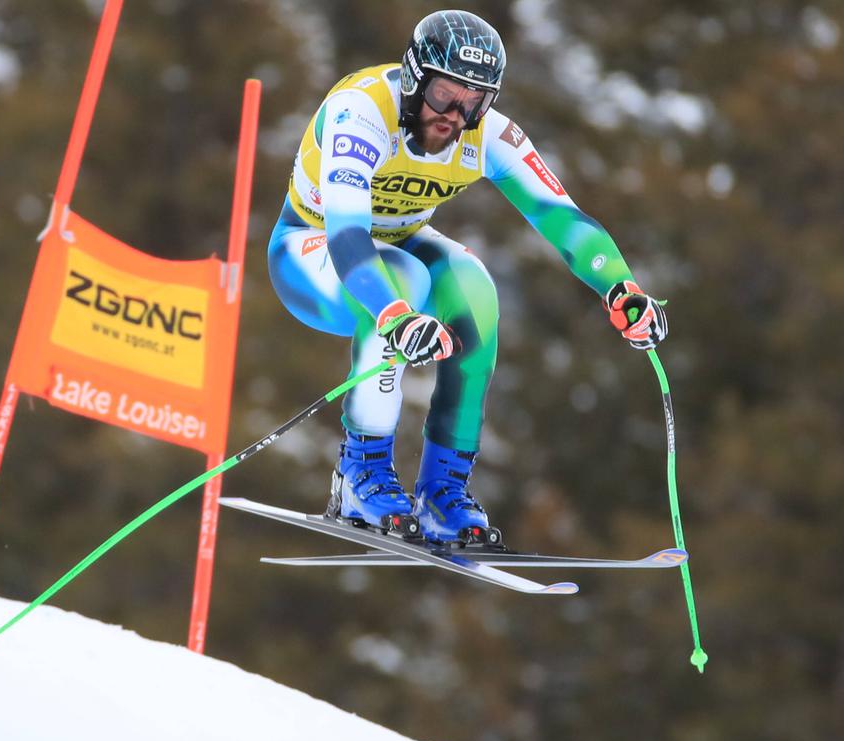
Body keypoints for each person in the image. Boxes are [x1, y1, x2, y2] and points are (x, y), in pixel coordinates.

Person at [267, 9, 668, 545]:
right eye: (443, 95)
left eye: (474, 101)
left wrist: (622, 288)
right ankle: (361, 472)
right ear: (413, 79)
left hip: (397, 242)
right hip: (310, 247)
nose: (455, 116)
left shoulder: (489, 134)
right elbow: (346, 235)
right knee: (403, 276)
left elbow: (562, 218)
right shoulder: (361, 112)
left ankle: (442, 491)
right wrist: (395, 315)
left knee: (474, 289)